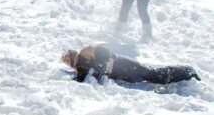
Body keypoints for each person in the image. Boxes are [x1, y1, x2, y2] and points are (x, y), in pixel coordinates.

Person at [61, 43, 199, 85]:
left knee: (155, 75)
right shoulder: (80, 67)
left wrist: (102, 61)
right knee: (151, 76)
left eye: (67, 58)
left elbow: (100, 49)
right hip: (124, 73)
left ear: (73, 53)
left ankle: (186, 71)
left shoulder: (83, 54)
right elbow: (83, 77)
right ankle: (184, 72)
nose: (67, 62)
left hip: (122, 64)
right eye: (65, 62)